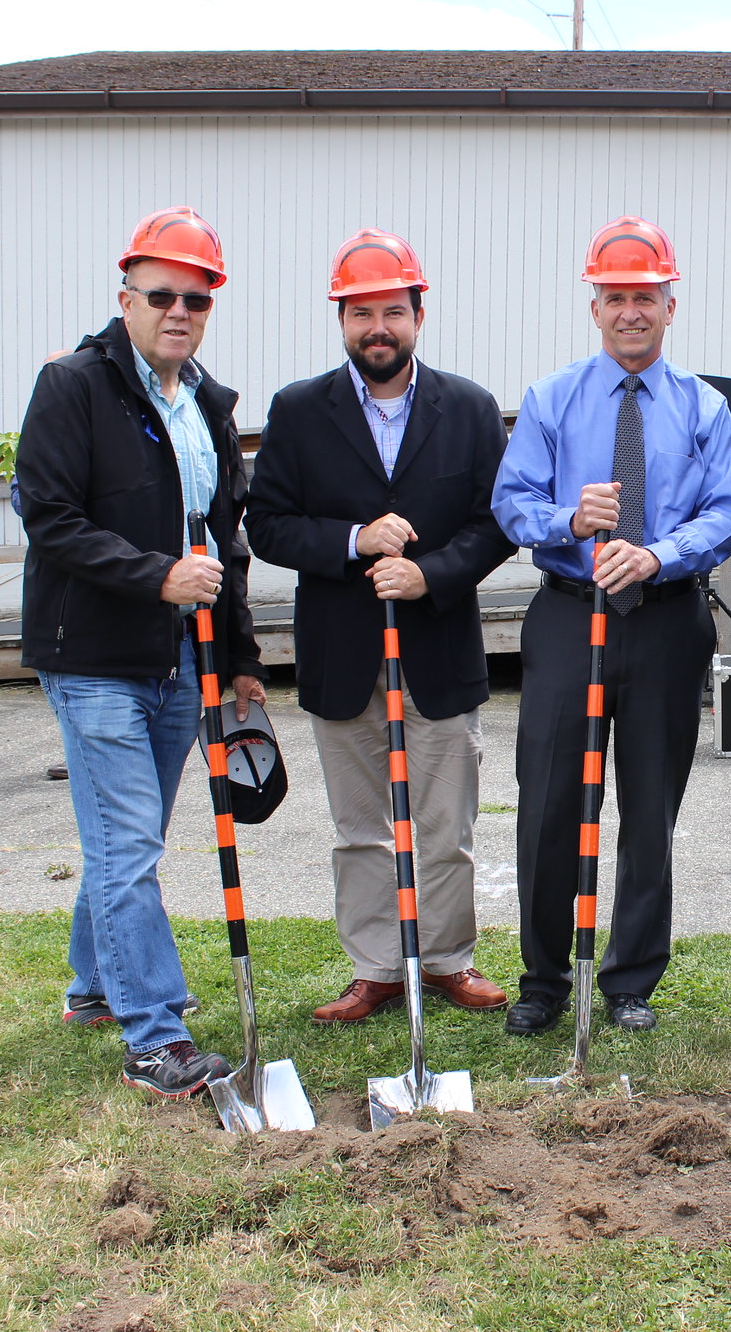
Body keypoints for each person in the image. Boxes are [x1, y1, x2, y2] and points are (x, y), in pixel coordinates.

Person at [15, 205, 262, 1099]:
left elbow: (222, 544)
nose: (179, 310)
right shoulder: (74, 387)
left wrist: (239, 658)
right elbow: (49, 518)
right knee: (127, 847)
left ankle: (91, 987)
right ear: (125, 298)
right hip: (94, 657)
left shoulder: (207, 404)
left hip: (182, 659)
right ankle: (155, 1037)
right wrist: (157, 575)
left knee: (129, 837)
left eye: (196, 297)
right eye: (161, 294)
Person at [248, 229, 514, 1024]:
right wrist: (351, 542)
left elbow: (494, 523)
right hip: (342, 651)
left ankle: (444, 960)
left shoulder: (466, 408)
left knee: (444, 823)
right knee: (360, 825)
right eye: (360, 312)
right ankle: (375, 968)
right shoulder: (298, 411)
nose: (377, 328)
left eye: (391, 311)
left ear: (418, 314)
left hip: (436, 647)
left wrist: (428, 573)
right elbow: (269, 524)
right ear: (341, 318)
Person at [492, 215, 731, 1036]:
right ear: (594, 305)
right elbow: (510, 502)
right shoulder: (550, 398)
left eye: (646, 296)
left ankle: (630, 978)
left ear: (671, 305)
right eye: (616, 297)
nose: (631, 311)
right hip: (571, 617)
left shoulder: (704, 407)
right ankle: (542, 979)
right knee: (553, 800)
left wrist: (661, 554)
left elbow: (725, 513)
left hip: (666, 623)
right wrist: (569, 519)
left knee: (649, 806)